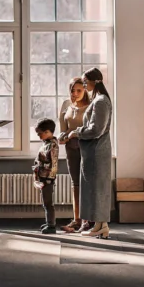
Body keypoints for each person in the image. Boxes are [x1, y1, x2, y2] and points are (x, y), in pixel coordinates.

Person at [66, 68, 113, 238]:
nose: (84, 85)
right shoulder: (99, 99)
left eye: (85, 82)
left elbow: (96, 129)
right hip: (94, 151)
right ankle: (101, 226)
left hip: (96, 151)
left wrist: (76, 132)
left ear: (95, 81)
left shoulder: (101, 101)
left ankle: (100, 225)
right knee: (96, 188)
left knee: (97, 189)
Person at [57, 77, 91, 233]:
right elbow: (63, 129)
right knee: (75, 183)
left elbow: (93, 130)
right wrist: (61, 137)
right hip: (71, 148)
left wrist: (74, 135)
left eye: (79, 90)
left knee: (86, 183)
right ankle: (76, 219)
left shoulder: (91, 106)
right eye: (72, 90)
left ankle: (87, 220)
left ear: (85, 90)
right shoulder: (66, 105)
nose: (75, 93)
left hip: (87, 147)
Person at [32, 118, 59, 235]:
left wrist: (48, 178)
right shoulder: (46, 144)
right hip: (43, 177)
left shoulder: (52, 145)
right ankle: (49, 222)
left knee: (48, 203)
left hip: (47, 178)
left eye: (40, 133)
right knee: (45, 202)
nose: (38, 136)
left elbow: (52, 164)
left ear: (48, 132)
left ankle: (51, 225)